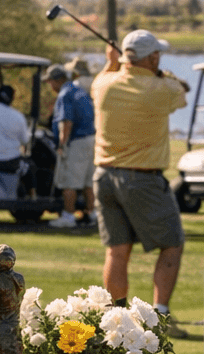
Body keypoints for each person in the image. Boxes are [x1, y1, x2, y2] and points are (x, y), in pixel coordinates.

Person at [92, 29, 188, 321]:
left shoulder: (103, 84)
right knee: (172, 244)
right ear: (153, 57)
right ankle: (160, 315)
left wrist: (112, 62)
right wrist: (161, 72)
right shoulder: (162, 89)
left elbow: (106, 75)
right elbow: (181, 92)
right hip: (143, 179)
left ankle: (116, 318)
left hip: (104, 177)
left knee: (117, 251)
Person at [45, 62, 97, 228]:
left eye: (50, 81)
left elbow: (67, 122)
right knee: (88, 182)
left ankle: (68, 216)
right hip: (91, 139)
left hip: (76, 141)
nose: (50, 85)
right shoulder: (79, 90)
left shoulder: (65, 94)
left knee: (69, 182)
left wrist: (62, 144)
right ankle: (93, 214)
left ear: (56, 80)